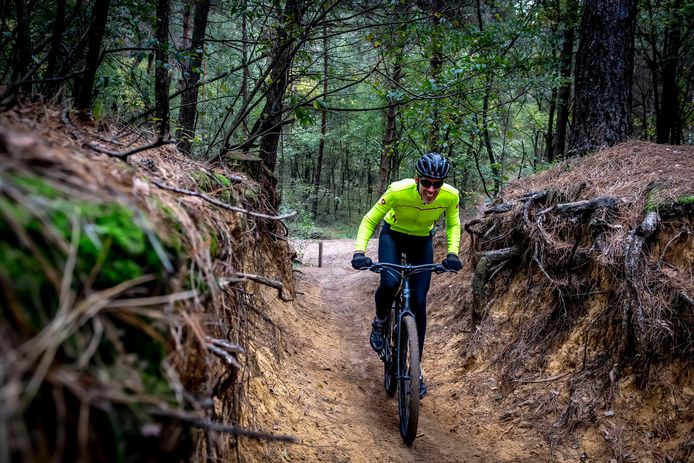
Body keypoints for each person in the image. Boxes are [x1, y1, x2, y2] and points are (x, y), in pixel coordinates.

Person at [351, 152, 462, 399]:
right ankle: (380, 322)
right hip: (393, 235)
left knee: (420, 301)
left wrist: (453, 253)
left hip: (422, 242)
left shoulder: (451, 196)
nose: (432, 189)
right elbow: (370, 220)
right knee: (390, 281)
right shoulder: (397, 191)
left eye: (437, 184)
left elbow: (454, 224)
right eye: (426, 183)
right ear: (417, 180)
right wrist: (359, 251)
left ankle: (416, 369)